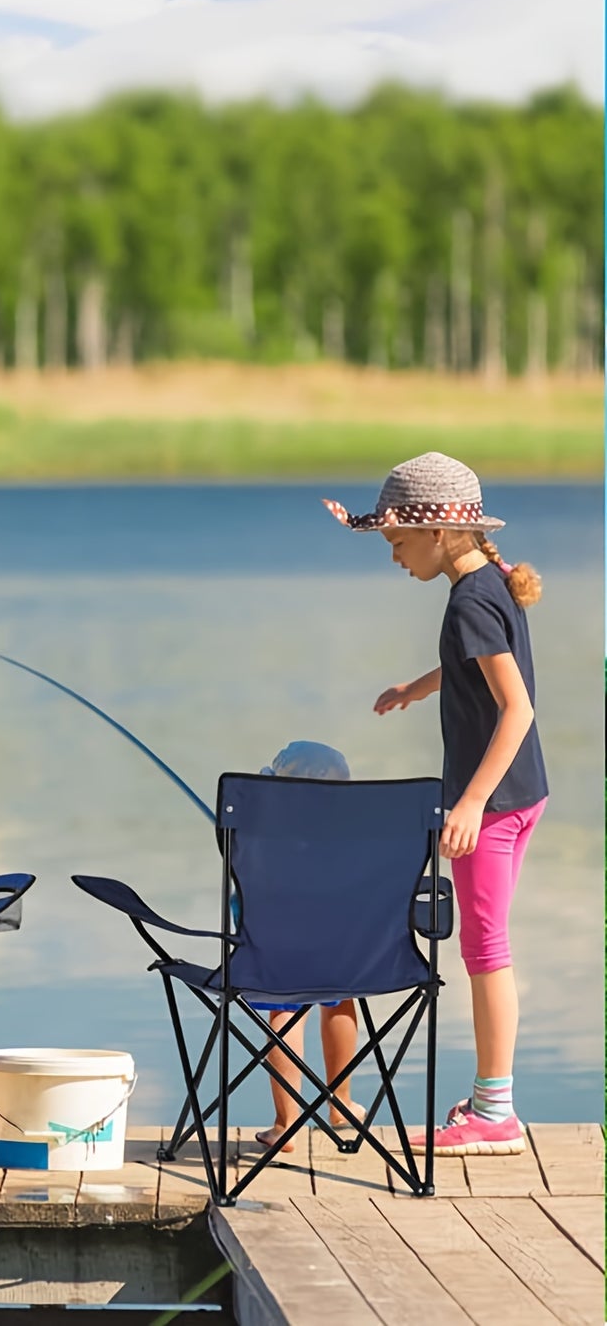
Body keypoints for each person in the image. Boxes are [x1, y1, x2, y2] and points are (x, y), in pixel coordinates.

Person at [324, 452, 545, 1156]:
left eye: (396, 542)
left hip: (496, 799)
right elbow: (475, 668)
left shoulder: (470, 599)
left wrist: (472, 802)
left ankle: (493, 1111)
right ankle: (491, 1099)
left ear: (442, 532)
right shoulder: (486, 584)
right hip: (521, 794)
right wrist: (418, 688)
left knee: (485, 950)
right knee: (488, 944)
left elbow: (517, 709)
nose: (392, 556)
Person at [250, 741, 359, 1153]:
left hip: (277, 952)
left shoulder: (260, 835)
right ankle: (341, 1102)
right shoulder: (355, 839)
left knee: (285, 1011)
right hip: (346, 951)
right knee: (340, 998)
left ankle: (286, 1123)